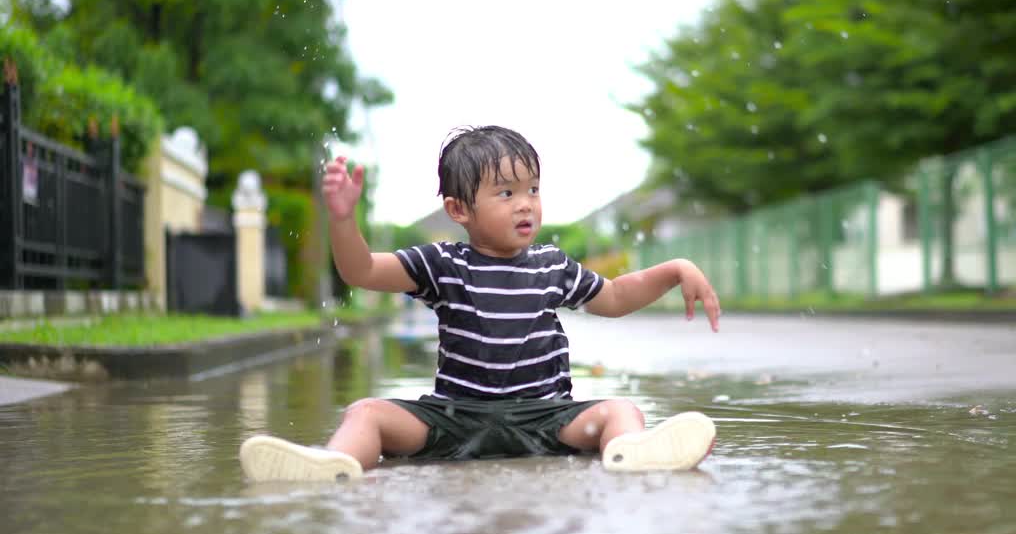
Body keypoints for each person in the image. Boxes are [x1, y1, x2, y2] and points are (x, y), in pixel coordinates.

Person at [239, 126, 721, 482]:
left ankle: (630, 453)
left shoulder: (551, 264)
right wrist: (343, 221)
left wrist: (673, 270)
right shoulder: (442, 263)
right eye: (506, 193)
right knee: (366, 412)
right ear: (458, 210)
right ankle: (335, 464)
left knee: (620, 409)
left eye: (532, 189)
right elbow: (361, 271)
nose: (526, 203)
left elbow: (615, 296)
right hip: (456, 418)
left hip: (546, 417)